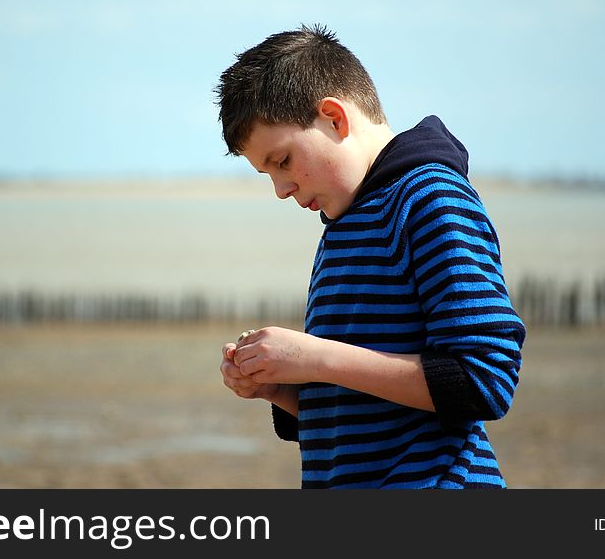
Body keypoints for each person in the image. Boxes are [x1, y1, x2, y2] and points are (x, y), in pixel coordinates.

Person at [215, 24, 526, 489]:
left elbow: (483, 379)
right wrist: (281, 386)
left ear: (334, 118)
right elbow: (364, 413)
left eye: (282, 161)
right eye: (267, 174)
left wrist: (315, 357)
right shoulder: (343, 227)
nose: (281, 190)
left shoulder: (428, 198)